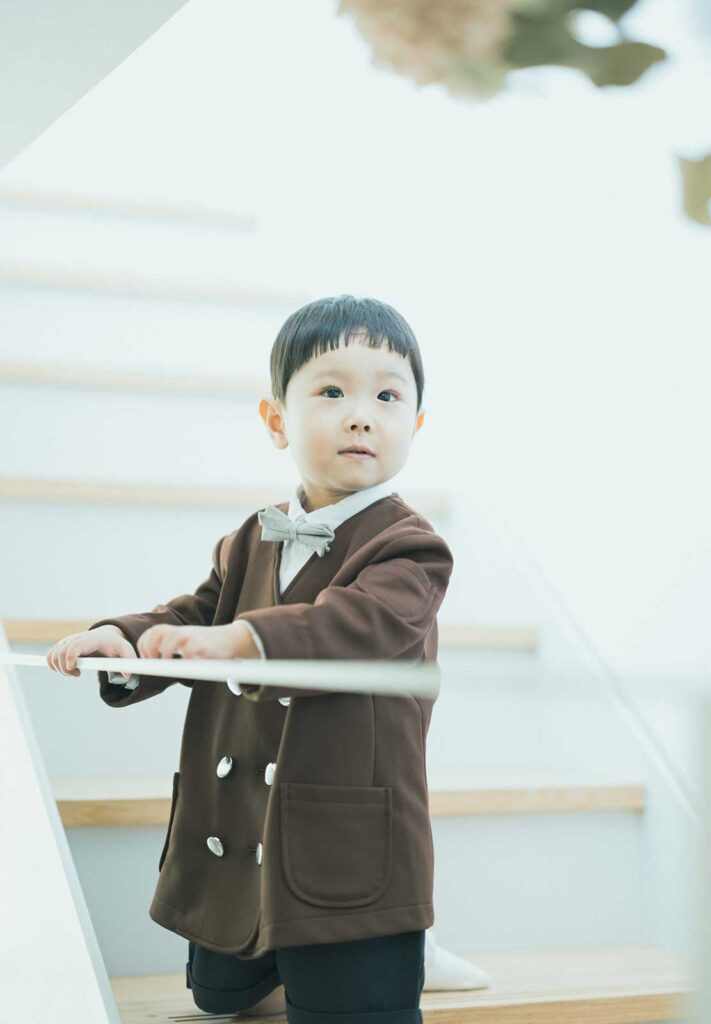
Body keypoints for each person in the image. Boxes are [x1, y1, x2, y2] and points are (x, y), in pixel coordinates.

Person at [47, 294, 454, 1024]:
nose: (362, 414)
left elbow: (353, 624)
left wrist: (244, 639)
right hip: (244, 828)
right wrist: (127, 641)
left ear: (415, 425)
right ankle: (286, 963)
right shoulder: (252, 536)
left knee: (355, 1004)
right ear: (277, 422)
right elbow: (197, 614)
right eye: (331, 392)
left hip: (340, 831)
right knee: (218, 995)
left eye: (388, 396)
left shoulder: (411, 547)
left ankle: (408, 957)